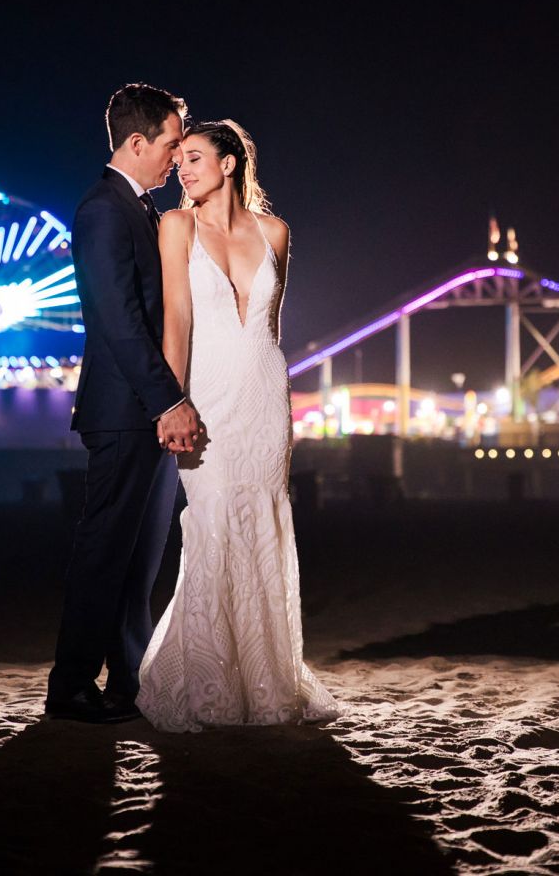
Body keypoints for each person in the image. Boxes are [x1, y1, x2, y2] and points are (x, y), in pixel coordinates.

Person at [136, 120, 342, 731]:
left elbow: (270, 330)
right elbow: (176, 320)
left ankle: (268, 682)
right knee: (212, 522)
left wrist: (277, 400)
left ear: (229, 164)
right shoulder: (175, 227)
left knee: (263, 525)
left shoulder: (276, 232)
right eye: (179, 162)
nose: (183, 169)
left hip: (263, 397)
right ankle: (208, 683)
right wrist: (170, 403)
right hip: (206, 395)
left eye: (195, 158)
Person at [45, 84, 202, 724]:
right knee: (105, 552)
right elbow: (117, 318)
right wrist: (169, 401)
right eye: (169, 144)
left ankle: (129, 685)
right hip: (123, 411)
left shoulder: (137, 208)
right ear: (137, 143)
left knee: (139, 563)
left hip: (148, 412)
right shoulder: (103, 210)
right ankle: (71, 687)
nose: (175, 157)